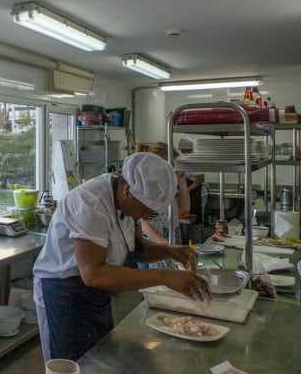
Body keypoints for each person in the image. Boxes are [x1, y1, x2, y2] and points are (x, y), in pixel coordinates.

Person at [32, 152, 211, 362]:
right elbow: (93, 274)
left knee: (99, 358)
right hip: (64, 294)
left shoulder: (126, 202)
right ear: (127, 191)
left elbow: (136, 249)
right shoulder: (90, 203)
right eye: (145, 210)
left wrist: (170, 250)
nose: (145, 217)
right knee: (70, 365)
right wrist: (165, 276)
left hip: (96, 294)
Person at [134, 141, 189, 247]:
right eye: (171, 166)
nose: (174, 170)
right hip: (153, 244)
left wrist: (182, 183)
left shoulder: (165, 184)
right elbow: (142, 222)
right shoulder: (146, 187)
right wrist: (165, 244)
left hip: (171, 239)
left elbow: (185, 207)